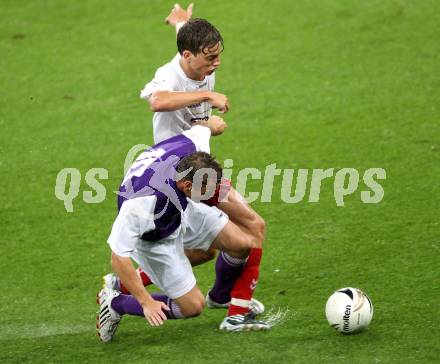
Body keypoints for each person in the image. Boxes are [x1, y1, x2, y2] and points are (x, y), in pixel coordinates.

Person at [137, 3, 267, 314]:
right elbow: (157, 101)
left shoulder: (196, 56)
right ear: (188, 57)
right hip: (183, 175)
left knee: (207, 250)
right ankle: (236, 311)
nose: (217, 63)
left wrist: (181, 22)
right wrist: (207, 101)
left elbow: (187, 35)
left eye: (218, 56)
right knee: (254, 227)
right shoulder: (169, 74)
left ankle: (127, 282)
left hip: (199, 167)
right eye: (210, 58)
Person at [97, 121, 270, 342]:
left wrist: (216, 122)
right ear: (189, 186)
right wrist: (146, 302)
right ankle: (115, 302)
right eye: (207, 192)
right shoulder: (142, 203)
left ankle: (220, 297)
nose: (213, 198)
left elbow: (207, 126)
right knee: (191, 307)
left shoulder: (194, 148)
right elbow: (118, 257)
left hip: (182, 210)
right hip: (154, 237)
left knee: (240, 244)